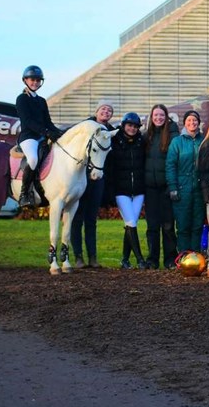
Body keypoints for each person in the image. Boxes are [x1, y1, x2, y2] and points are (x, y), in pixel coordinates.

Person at [70, 99, 114, 268]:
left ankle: (93, 257)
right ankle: (78, 257)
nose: (106, 112)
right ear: (97, 111)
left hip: (99, 180)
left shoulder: (110, 132)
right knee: (77, 217)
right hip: (81, 178)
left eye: (109, 110)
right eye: (103, 109)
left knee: (91, 220)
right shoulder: (85, 127)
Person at [15, 65, 63, 207]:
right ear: (25, 80)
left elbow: (48, 122)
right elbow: (28, 122)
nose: (35, 82)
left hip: (42, 137)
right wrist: (47, 132)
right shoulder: (22, 99)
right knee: (33, 158)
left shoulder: (42, 101)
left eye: (38, 80)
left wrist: (59, 132)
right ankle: (24, 194)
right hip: (28, 137)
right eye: (32, 80)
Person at [108, 112, 148, 269]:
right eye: (129, 125)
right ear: (124, 125)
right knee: (131, 223)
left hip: (138, 190)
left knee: (130, 224)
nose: (132, 128)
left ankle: (125, 259)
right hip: (121, 190)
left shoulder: (141, 141)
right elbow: (110, 169)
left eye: (135, 126)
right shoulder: (114, 141)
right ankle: (140, 260)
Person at [143, 104, 179, 269]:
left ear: (166, 117)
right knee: (152, 226)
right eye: (155, 115)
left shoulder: (173, 136)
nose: (158, 118)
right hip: (150, 188)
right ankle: (152, 259)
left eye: (161, 115)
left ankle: (170, 259)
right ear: (151, 117)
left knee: (168, 225)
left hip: (166, 187)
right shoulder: (146, 136)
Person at [166, 110, 206, 254]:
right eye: (189, 120)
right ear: (185, 123)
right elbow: (170, 165)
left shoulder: (204, 140)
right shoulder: (177, 142)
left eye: (195, 120)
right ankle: (183, 257)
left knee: (197, 224)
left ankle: (195, 256)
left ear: (198, 122)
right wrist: (173, 187)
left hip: (199, 190)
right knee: (183, 225)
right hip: (182, 189)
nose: (192, 123)